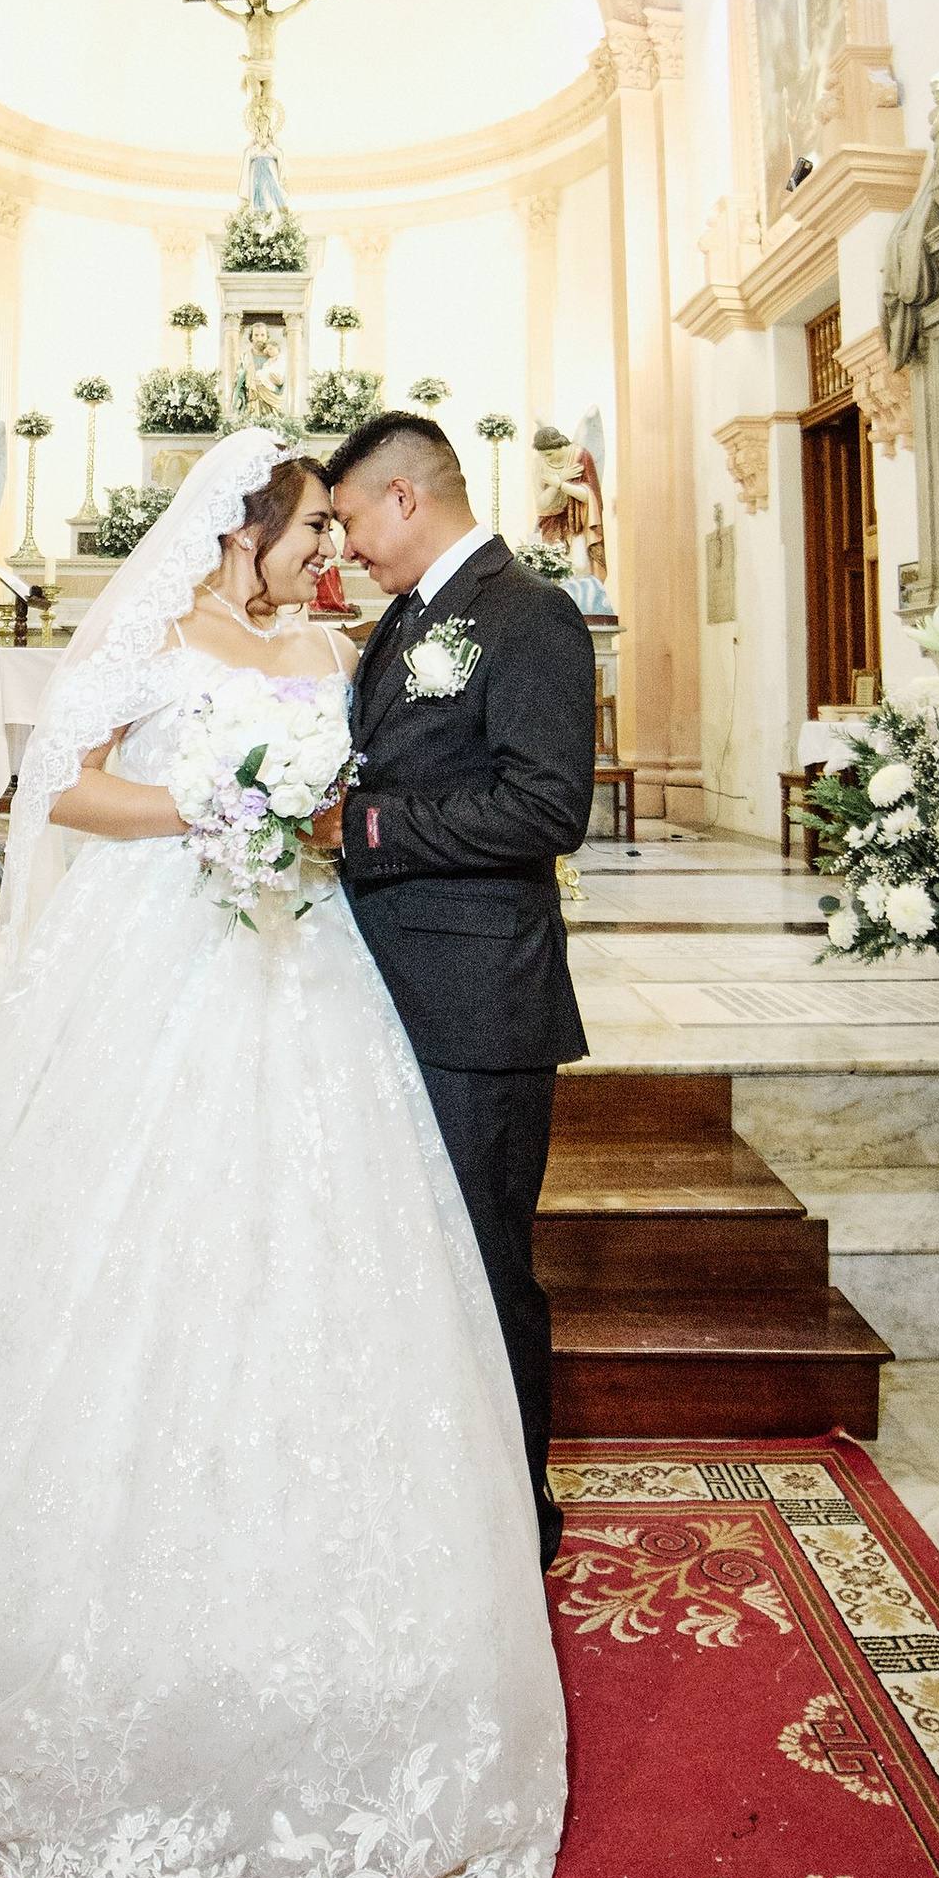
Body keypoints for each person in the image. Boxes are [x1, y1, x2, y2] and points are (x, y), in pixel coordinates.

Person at [0, 429, 566, 1878]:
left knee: (329, 1250)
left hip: (311, 972)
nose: (328, 555)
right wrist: (210, 809)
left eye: (340, 531)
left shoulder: (338, 646)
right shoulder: (163, 632)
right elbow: (61, 788)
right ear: (246, 532)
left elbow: (383, 794)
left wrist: (292, 820)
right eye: (310, 534)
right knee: (121, 1237)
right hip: (164, 955)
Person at [322, 412, 598, 1572]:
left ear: (401, 497)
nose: (340, 549)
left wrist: (367, 825)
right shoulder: (400, 625)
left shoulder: (528, 615)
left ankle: (511, 1515)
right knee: (405, 1257)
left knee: (486, 1260)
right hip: (383, 986)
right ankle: (427, 1485)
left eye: (345, 521)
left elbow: (547, 807)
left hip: (480, 997)